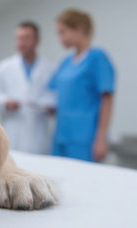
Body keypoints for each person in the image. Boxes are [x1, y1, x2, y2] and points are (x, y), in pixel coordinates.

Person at [49, 8, 115, 162]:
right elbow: (55, 94)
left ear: (79, 28)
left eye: (62, 32)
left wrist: (101, 139)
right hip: (61, 135)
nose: (60, 38)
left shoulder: (97, 57)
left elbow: (107, 100)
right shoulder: (65, 62)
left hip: (85, 138)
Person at [0, 21, 56, 154]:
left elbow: (54, 96)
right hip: (12, 130)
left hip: (37, 134)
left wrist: (46, 104)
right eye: (19, 38)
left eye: (26, 38)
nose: (21, 43)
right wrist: (5, 101)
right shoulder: (4, 67)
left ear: (38, 41)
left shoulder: (50, 69)